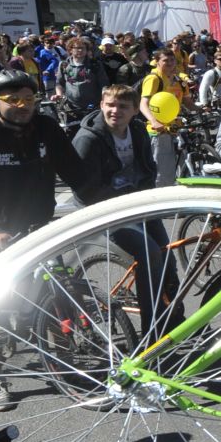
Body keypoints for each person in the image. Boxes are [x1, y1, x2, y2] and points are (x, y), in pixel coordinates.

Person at [0, 69, 95, 275]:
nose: (24, 105)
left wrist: (102, 202)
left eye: (29, 98)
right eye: (13, 99)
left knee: (58, 288)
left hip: (37, 225)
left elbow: (74, 170)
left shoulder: (45, 126)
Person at [71, 84, 176, 334]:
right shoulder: (88, 139)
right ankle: (152, 333)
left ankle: (174, 320)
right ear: (101, 105)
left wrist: (146, 196)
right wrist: (122, 202)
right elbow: (84, 190)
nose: (115, 110)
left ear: (133, 112)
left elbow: (149, 169)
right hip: (106, 210)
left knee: (168, 256)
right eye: (110, 105)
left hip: (136, 203)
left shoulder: (138, 131)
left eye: (122, 107)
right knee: (149, 254)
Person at [140, 48, 190, 186]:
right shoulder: (153, 79)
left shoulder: (178, 80)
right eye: (165, 60)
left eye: (172, 59)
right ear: (157, 62)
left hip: (176, 128)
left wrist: (203, 108)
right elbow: (143, 104)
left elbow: (188, 103)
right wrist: (154, 121)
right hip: (159, 131)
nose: (170, 63)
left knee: (181, 169)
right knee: (162, 174)